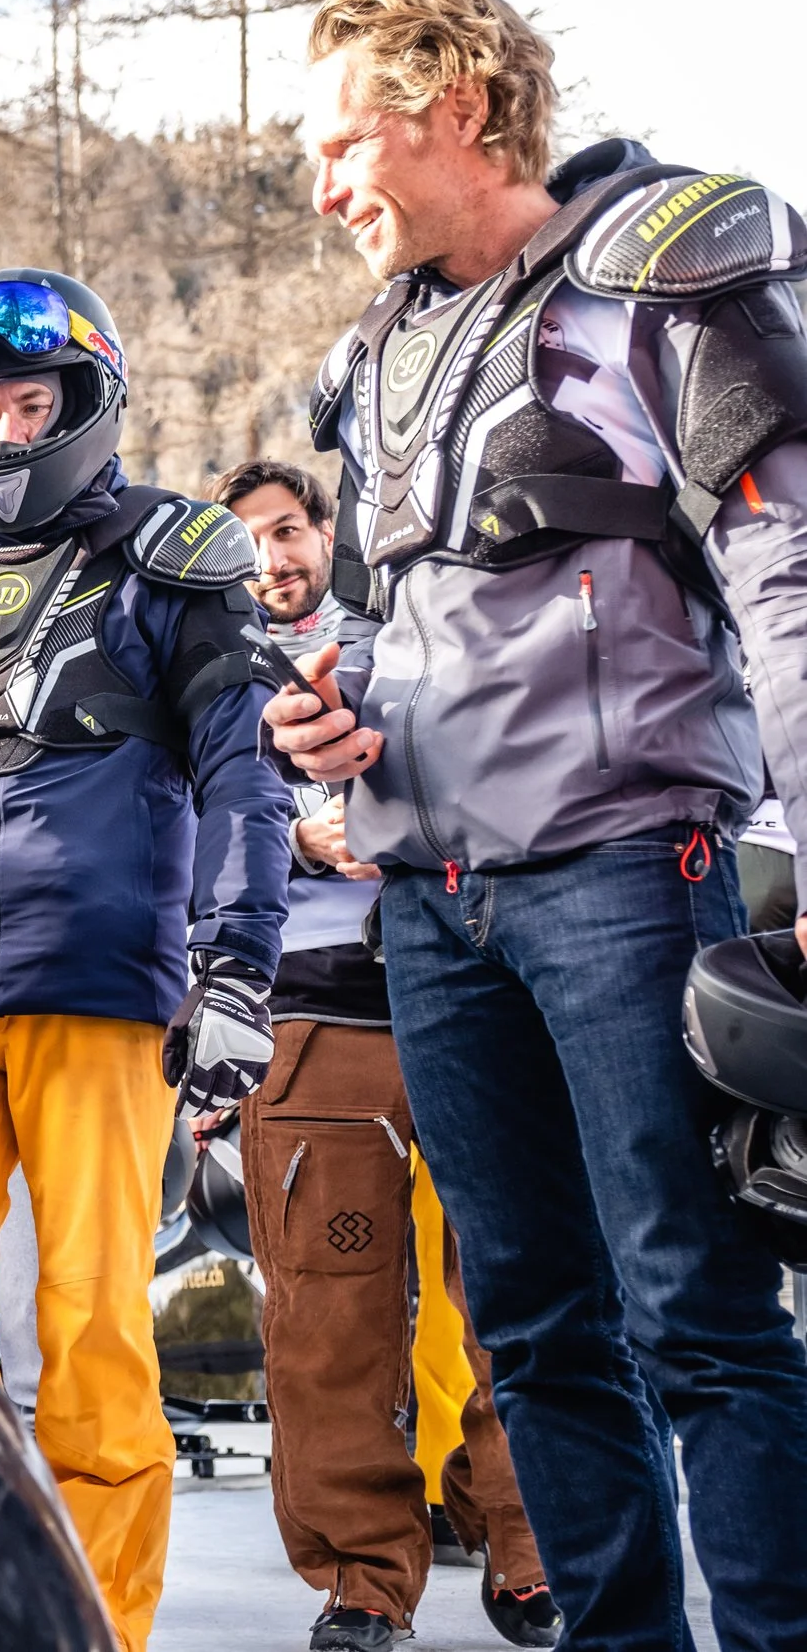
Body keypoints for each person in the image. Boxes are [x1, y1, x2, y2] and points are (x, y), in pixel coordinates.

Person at [272, 0, 807, 1646]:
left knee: (697, 1306)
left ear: (459, 103)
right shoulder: (377, 354)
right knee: (530, 1325)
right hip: (431, 902)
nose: (322, 184)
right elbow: (370, 618)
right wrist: (323, 726)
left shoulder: (667, 267)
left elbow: (788, 573)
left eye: (344, 141)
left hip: (631, 869)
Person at [0, 268, 292, 1652]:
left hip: (105, 990)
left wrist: (237, 967)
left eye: (30, 401)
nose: (6, 430)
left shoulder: (177, 557)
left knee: (94, 1326)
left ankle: (101, 1630)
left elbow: (247, 779)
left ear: (86, 400)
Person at [215, 458, 553, 1652]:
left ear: (327, 533)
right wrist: (296, 839)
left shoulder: (418, 620)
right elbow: (178, 823)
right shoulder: (207, 658)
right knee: (327, 1318)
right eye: (246, 541)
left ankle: (528, 1547)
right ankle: (363, 1578)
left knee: (518, 1288)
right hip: (310, 1014)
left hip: (476, 983)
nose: (272, 558)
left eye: (286, 530)